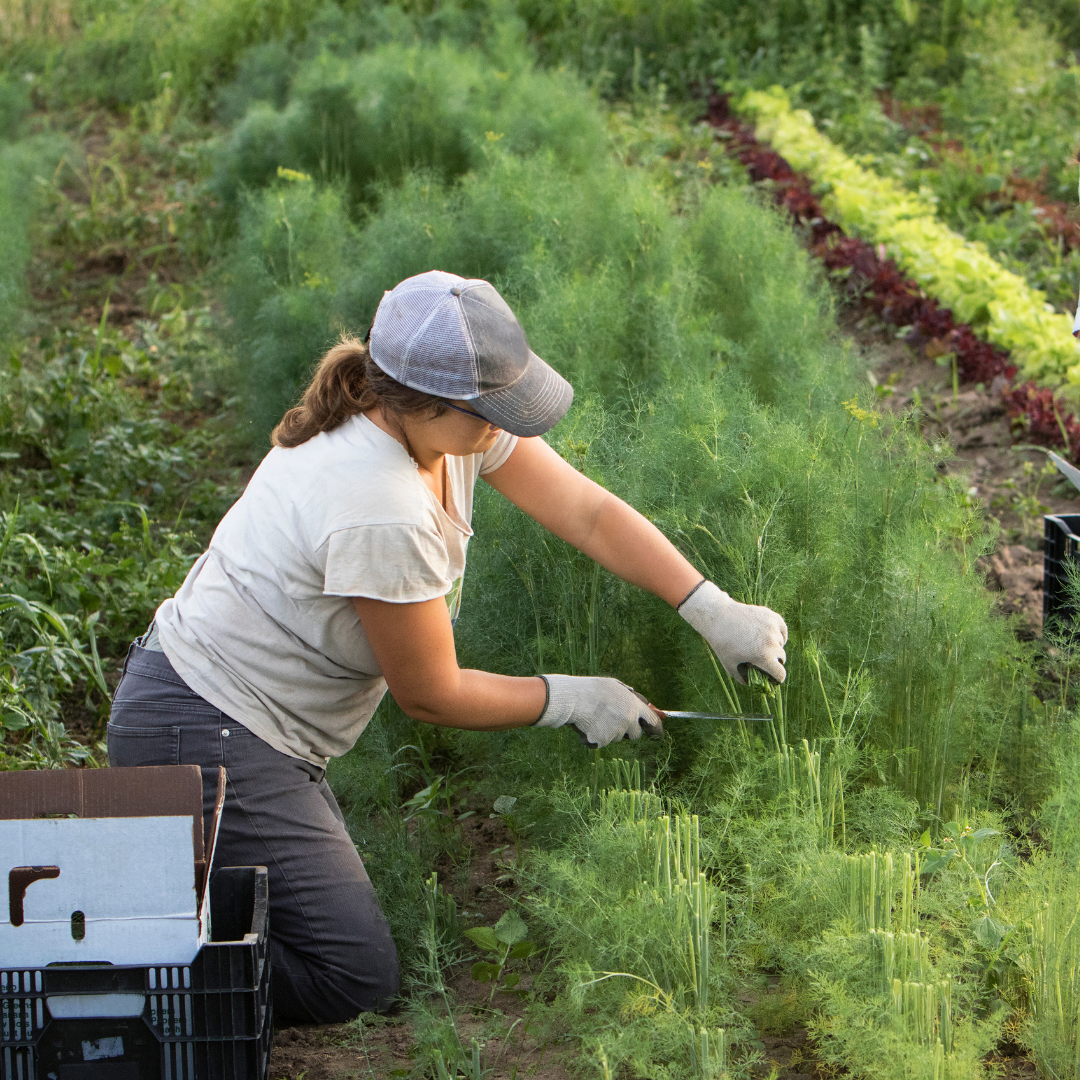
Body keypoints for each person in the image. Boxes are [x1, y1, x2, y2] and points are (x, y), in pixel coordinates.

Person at [107, 270, 787, 1023]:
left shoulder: (438, 427)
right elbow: (430, 692)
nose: (507, 427)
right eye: (490, 412)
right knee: (351, 973)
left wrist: (710, 607)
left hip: (232, 720)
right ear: (423, 402)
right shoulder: (379, 502)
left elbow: (588, 513)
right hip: (208, 726)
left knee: (272, 913)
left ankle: (172, 919)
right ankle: (124, 996)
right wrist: (574, 699)